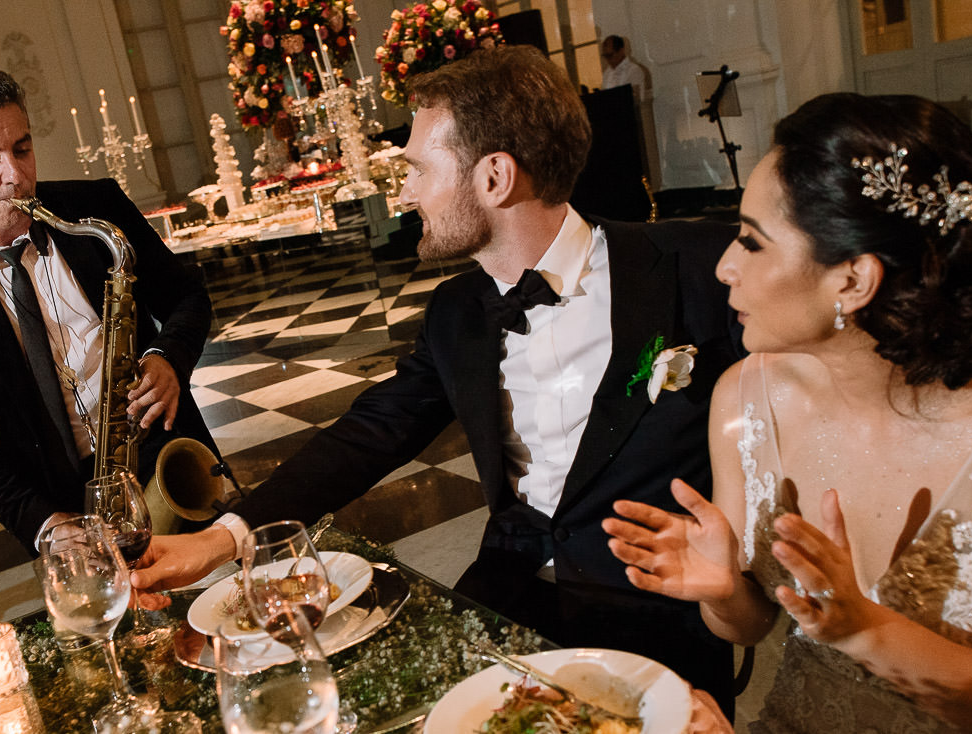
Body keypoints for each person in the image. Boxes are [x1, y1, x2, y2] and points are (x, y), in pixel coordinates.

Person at [133, 45, 743, 715]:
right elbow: (366, 436)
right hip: (506, 605)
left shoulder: (700, 267)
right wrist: (219, 538)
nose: (403, 193)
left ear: (495, 177)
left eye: (419, 169)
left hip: (660, 622)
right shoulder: (457, 313)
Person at [603, 92, 972, 733]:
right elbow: (752, 625)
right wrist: (725, 588)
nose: (725, 266)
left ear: (852, 280)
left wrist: (865, 630)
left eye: (752, 242)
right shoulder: (745, 403)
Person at [0, 64, 221, 552]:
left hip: (164, 452)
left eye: (22, 149)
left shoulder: (97, 207)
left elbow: (188, 296)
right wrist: (41, 522)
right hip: (59, 503)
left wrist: (168, 355)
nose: (17, 176)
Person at [600, 35, 646, 102]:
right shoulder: (606, 74)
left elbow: (637, 100)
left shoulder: (634, 70)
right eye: (605, 56)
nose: (608, 60)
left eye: (610, 55)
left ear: (621, 51)